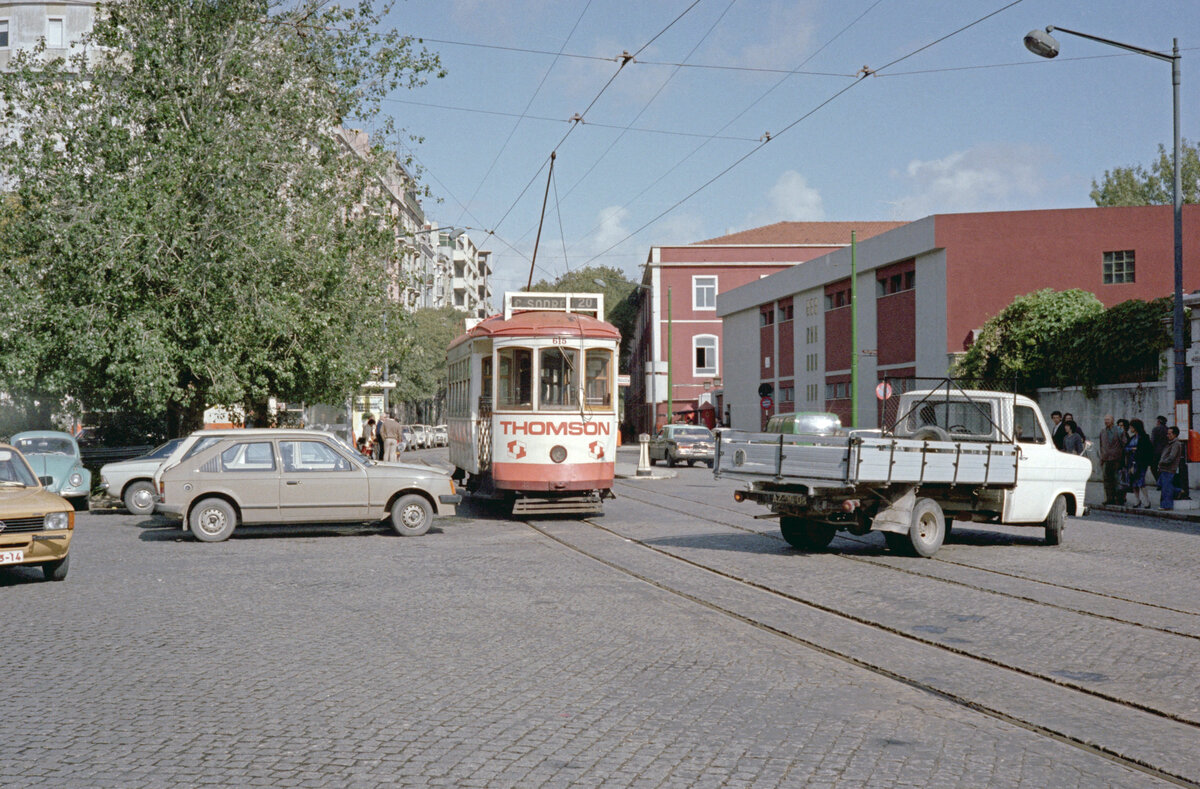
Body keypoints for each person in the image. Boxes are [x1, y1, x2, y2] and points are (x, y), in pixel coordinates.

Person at [1125, 419, 1153, 508]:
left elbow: (1146, 450)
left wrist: (1136, 451)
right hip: (1131, 462)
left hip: (1140, 463)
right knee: (1133, 482)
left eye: (1131, 427)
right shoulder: (1132, 438)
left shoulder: (1144, 437)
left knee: (1141, 481)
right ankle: (1137, 500)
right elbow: (1126, 448)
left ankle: (1146, 500)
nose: (1130, 428)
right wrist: (1131, 449)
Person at [1098, 414, 1124, 506]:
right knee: (1107, 480)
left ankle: (1119, 499)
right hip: (1106, 459)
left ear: (1112, 420)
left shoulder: (1119, 430)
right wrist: (1101, 457)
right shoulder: (1102, 431)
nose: (1106, 421)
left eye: (1108, 420)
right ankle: (1109, 498)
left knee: (1117, 480)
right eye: (1105, 420)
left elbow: (1124, 443)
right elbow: (1101, 445)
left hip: (1116, 458)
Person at [1158, 426, 1184, 510]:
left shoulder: (1176, 444)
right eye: (1167, 433)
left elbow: (1171, 457)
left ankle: (1167, 505)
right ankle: (1179, 490)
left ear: (1175, 434)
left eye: (1169, 434)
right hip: (1164, 468)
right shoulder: (1170, 443)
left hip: (1169, 468)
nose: (1167, 435)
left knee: (1166, 488)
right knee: (1161, 485)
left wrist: (1162, 462)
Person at [1150, 415, 1169, 486]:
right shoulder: (1168, 429)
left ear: (1158, 422)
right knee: (1164, 468)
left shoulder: (1155, 429)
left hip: (1156, 452)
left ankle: (1159, 482)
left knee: (1153, 467)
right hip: (1166, 451)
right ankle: (1163, 482)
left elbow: (1153, 441)